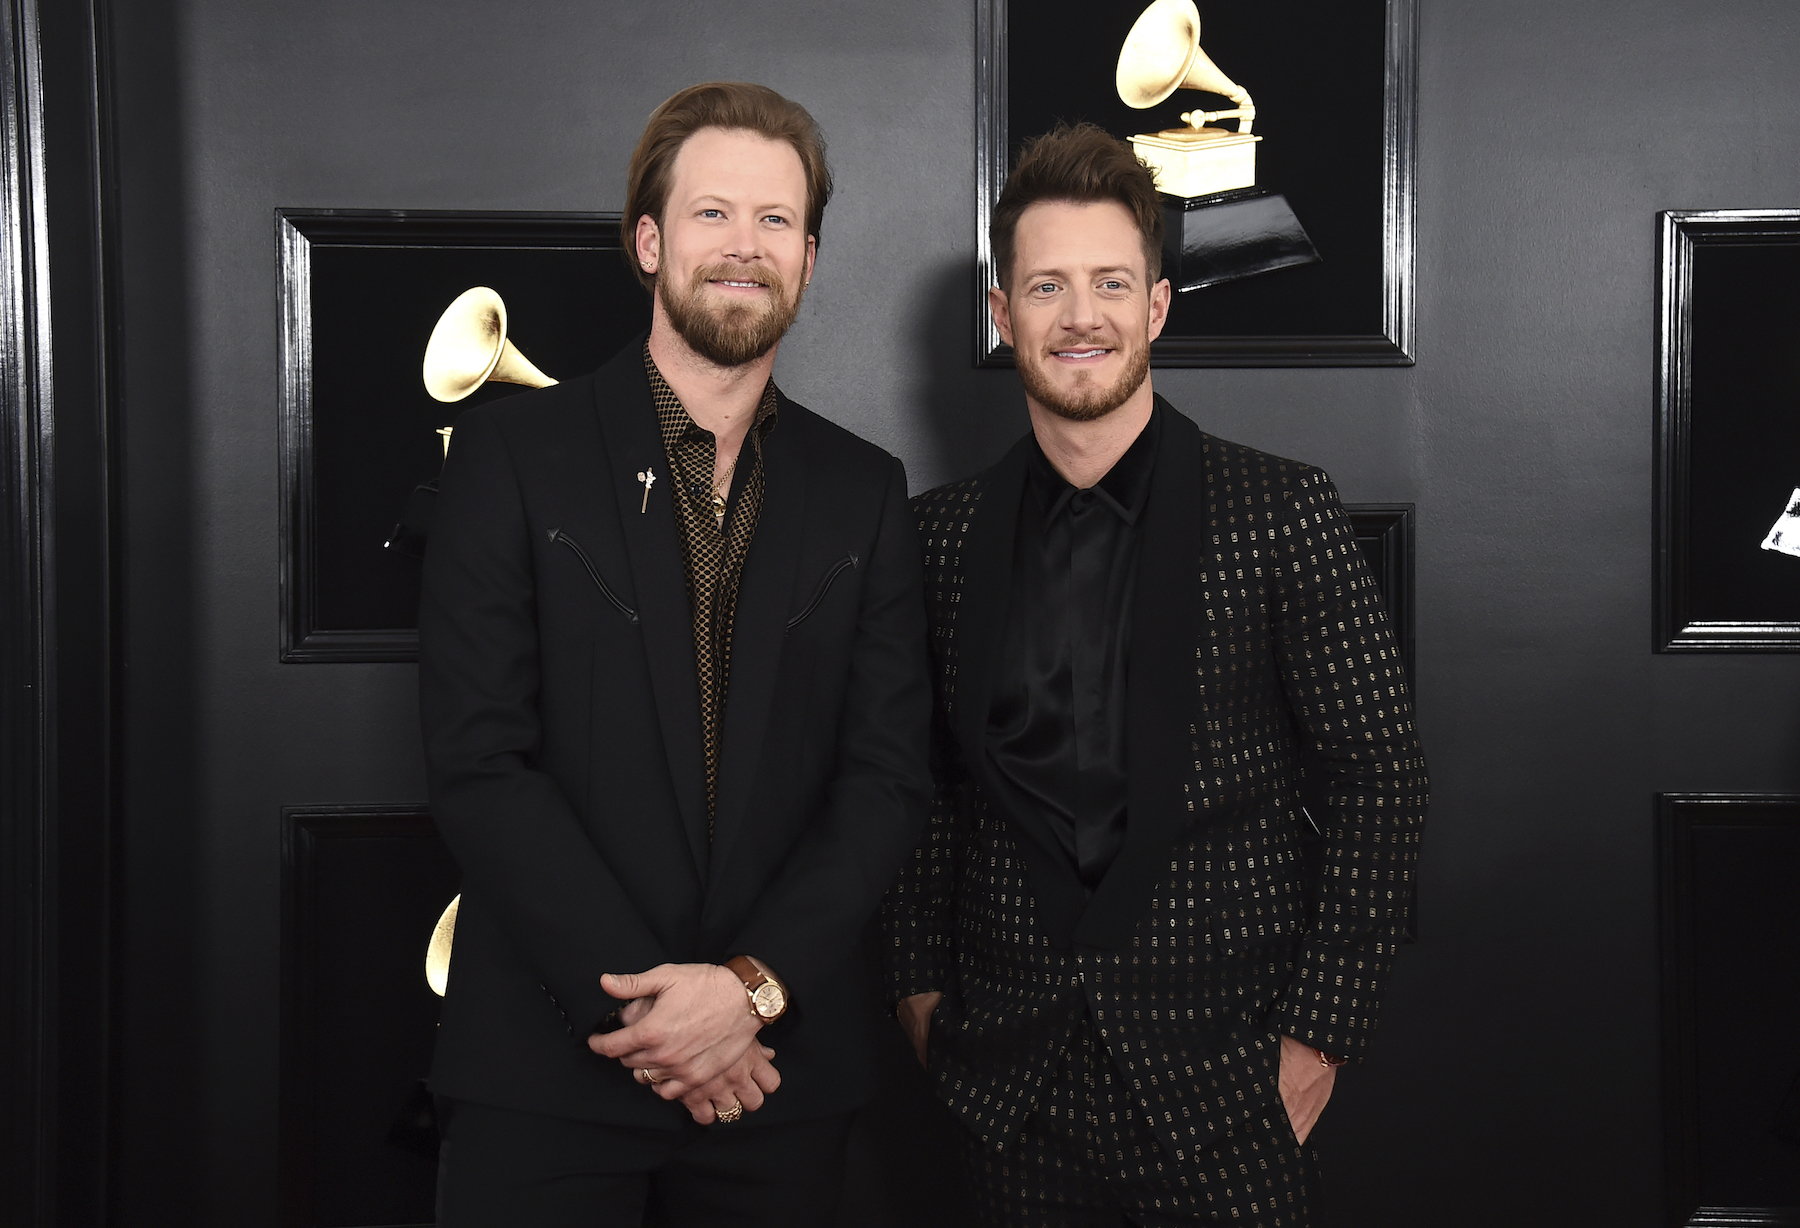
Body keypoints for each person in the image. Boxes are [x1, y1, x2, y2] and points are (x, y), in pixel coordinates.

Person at [884, 123, 1428, 1226]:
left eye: (1110, 283)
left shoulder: (1280, 512)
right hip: (1007, 1091)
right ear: (1003, 317)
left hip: (1227, 1095)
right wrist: (920, 993)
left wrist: (1319, 1034)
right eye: (1046, 286)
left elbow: (1382, 777)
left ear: (1157, 308)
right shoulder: (935, 541)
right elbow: (918, 789)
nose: (1080, 316)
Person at [419, 81, 931, 1227]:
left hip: (777, 1084)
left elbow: (887, 779)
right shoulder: (508, 456)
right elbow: (479, 762)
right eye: (711, 215)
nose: (743, 248)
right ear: (649, 242)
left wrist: (748, 995)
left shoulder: (867, 492)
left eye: (775, 221)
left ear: (809, 257)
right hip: (544, 1077)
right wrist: (669, 1023)